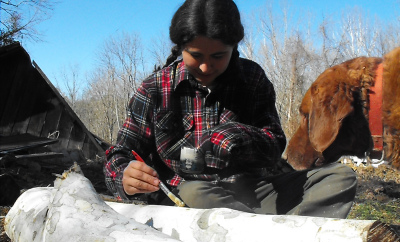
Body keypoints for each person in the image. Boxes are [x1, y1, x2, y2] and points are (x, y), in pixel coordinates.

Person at [104, 0, 356, 218]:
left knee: (338, 178)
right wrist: (124, 177)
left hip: (256, 190)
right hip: (190, 196)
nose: (205, 67)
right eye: (196, 55)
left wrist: (238, 138)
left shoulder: (252, 78)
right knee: (196, 194)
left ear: (233, 47)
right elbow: (120, 154)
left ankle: (274, 238)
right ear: (181, 47)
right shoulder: (155, 89)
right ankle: (276, 234)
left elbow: (275, 145)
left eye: (217, 56)